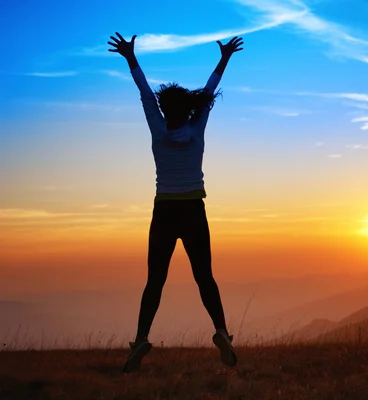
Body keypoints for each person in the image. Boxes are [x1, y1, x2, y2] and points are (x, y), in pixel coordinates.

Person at [107, 31, 243, 373]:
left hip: (164, 211)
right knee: (205, 278)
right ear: (190, 109)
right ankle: (222, 332)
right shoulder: (196, 129)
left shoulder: (158, 129)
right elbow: (209, 92)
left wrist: (130, 58)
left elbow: (144, 93)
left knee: (155, 280)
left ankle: (140, 341)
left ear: (165, 109)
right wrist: (224, 58)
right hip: (194, 210)